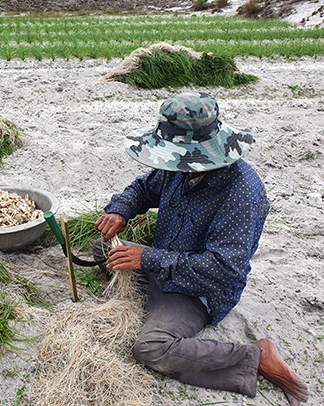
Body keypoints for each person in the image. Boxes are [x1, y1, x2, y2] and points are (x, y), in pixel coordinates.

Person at [92, 91, 309, 405]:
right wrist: (120, 210)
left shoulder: (240, 193)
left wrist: (147, 257)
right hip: (161, 264)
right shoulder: (179, 167)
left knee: (152, 347)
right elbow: (143, 187)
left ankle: (254, 357)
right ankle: (148, 286)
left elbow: (223, 269)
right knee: (101, 248)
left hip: (198, 290)